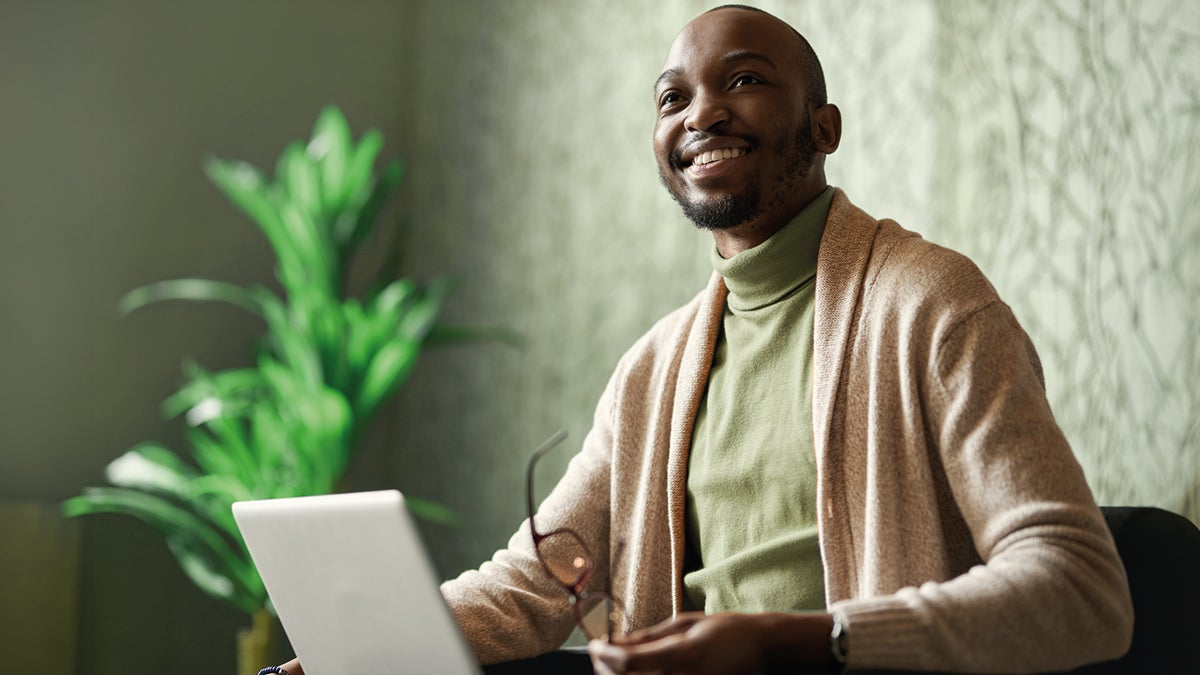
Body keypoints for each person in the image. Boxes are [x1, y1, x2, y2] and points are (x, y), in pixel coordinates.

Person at [271, 5, 1133, 674]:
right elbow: (535, 582)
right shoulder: (655, 367)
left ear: (824, 129)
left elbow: (1081, 588)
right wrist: (360, 647)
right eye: (672, 97)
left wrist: (794, 642)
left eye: (745, 80)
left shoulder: (931, 301)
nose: (702, 114)